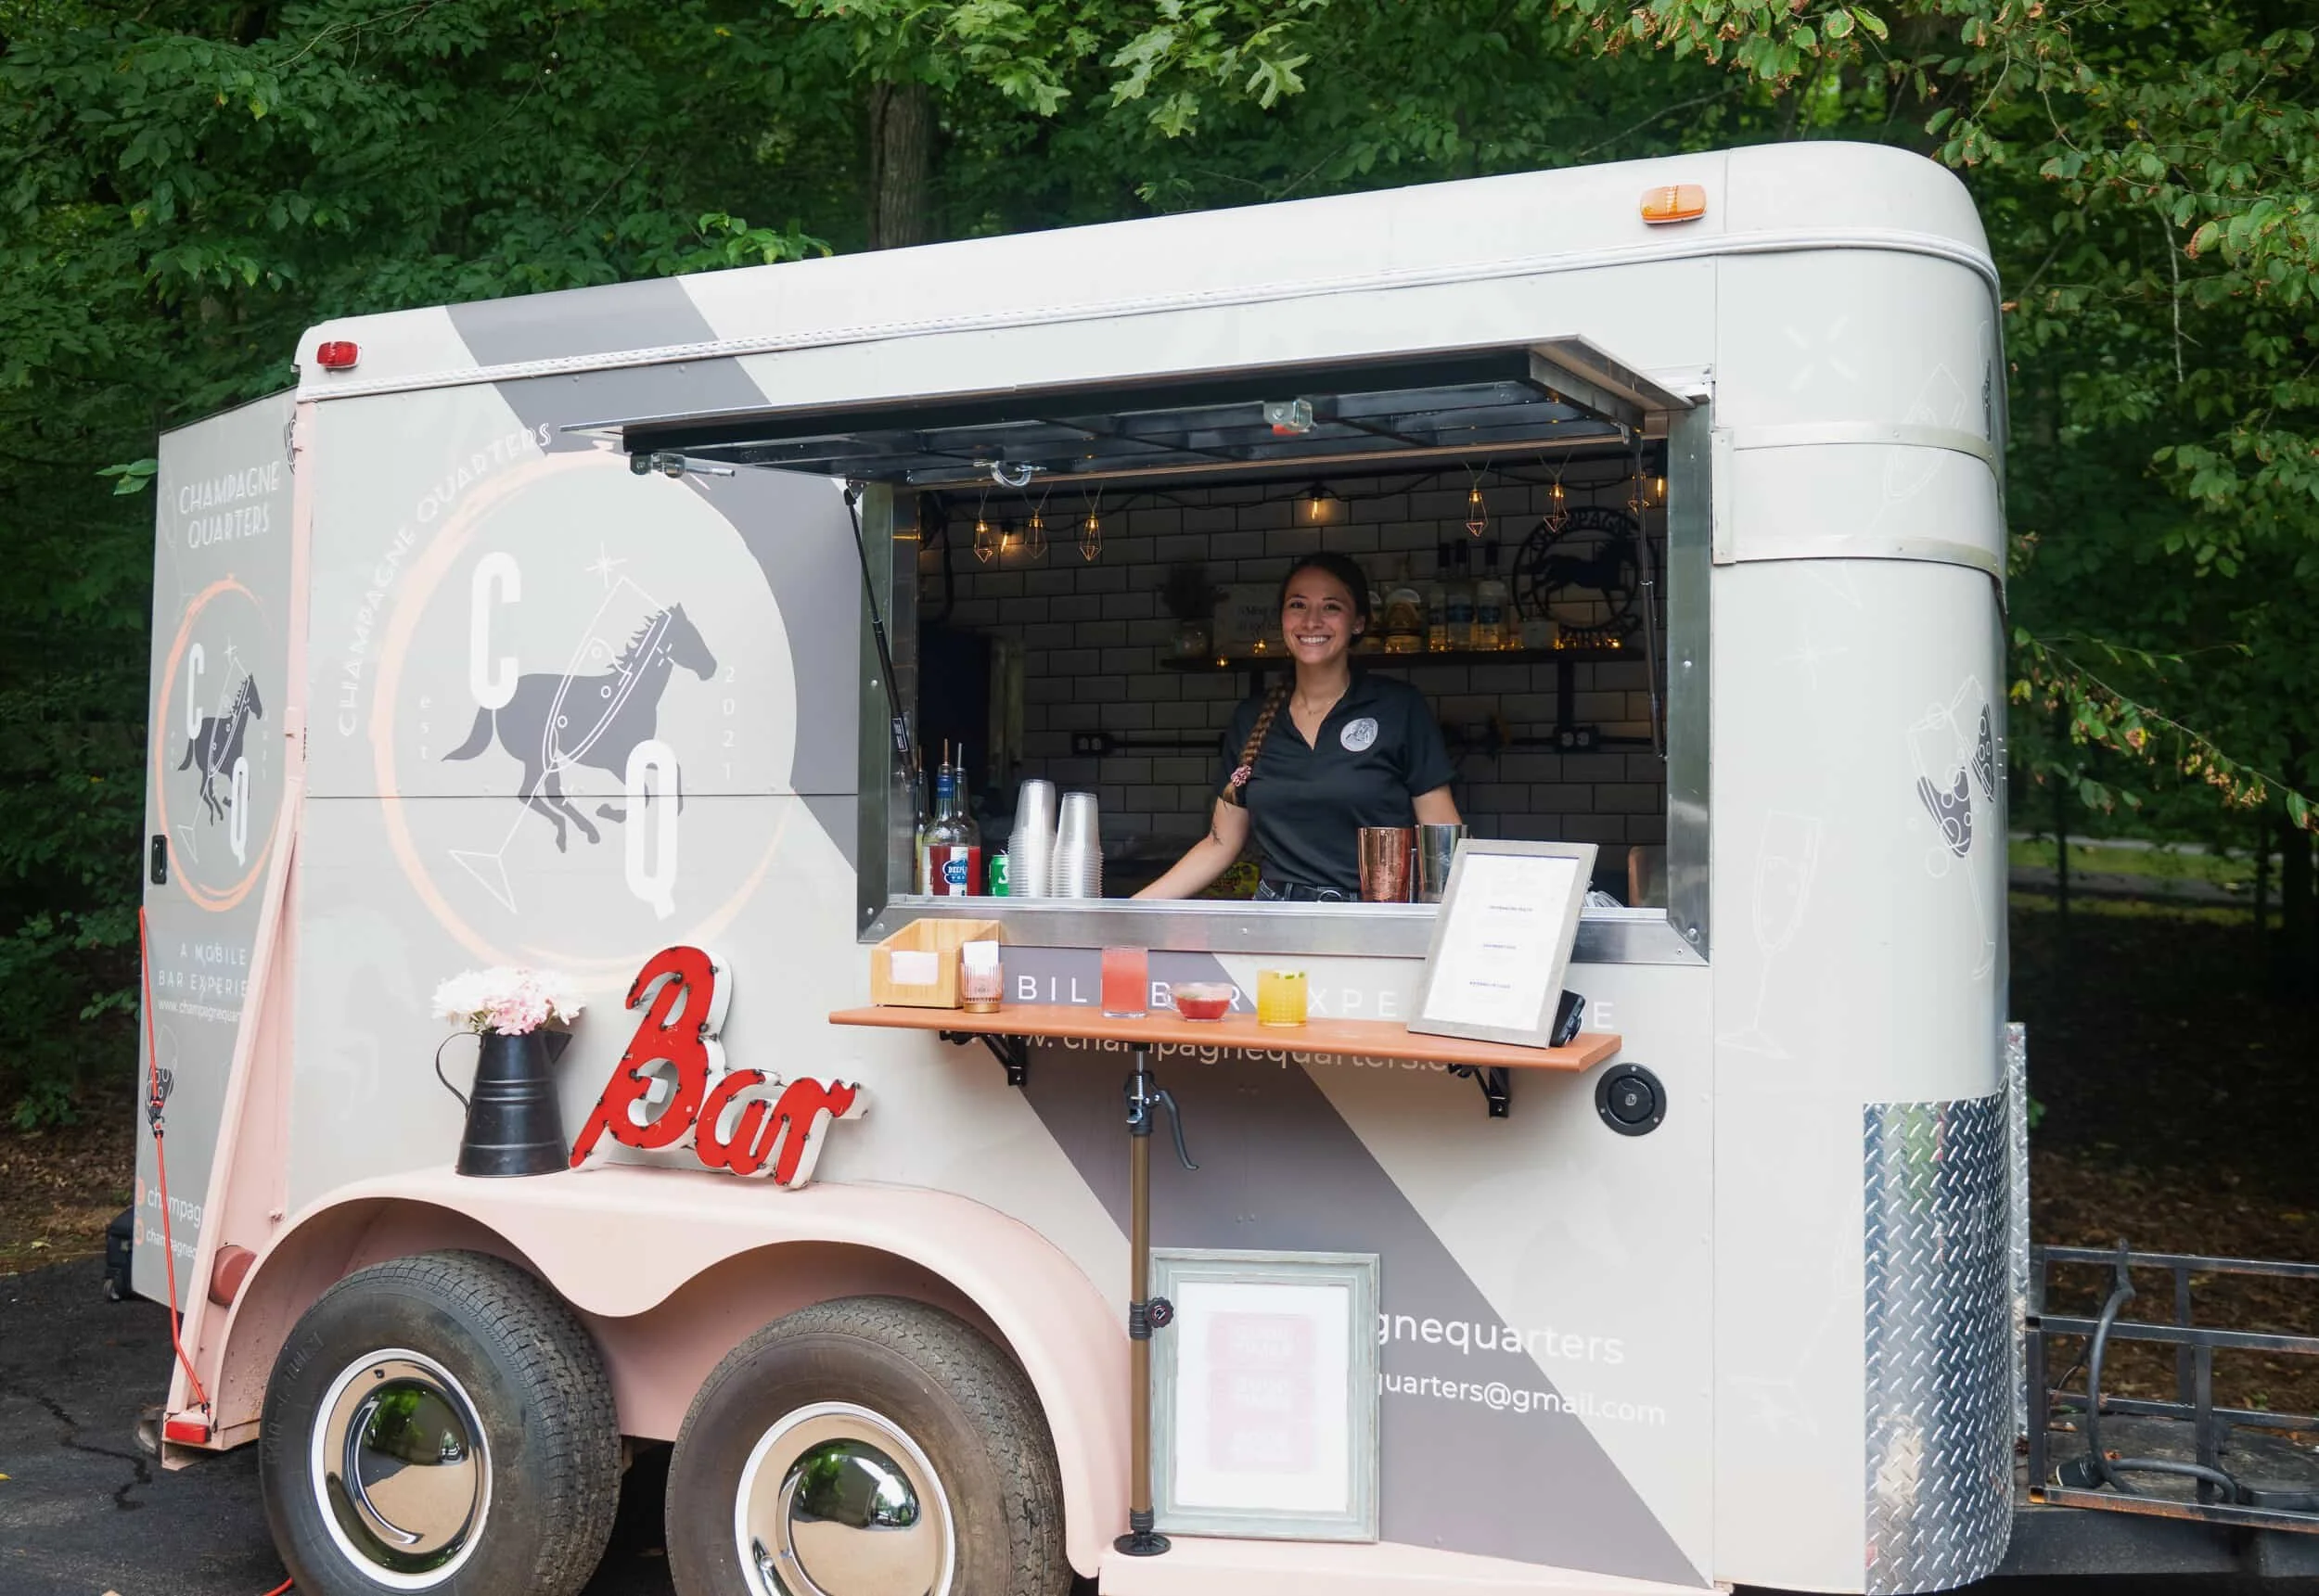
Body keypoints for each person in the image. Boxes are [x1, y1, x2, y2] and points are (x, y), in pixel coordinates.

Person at [1137, 551, 1461, 901]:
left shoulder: (1398, 708)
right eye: (1298, 605)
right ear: (1282, 619)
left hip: (1374, 919)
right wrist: (1129, 910)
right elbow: (1220, 842)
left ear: (1359, 622)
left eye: (1331, 607)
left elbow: (1441, 838)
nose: (1312, 621)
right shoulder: (1252, 718)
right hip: (1275, 918)